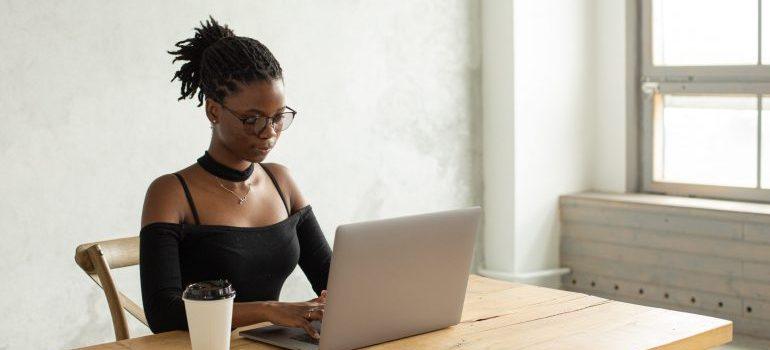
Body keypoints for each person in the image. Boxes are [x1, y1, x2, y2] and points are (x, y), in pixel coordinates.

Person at [139, 16, 331, 340]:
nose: (269, 132)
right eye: (252, 119)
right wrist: (270, 310)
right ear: (213, 111)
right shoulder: (171, 193)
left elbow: (333, 280)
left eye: (278, 117)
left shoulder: (281, 183)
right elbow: (164, 313)